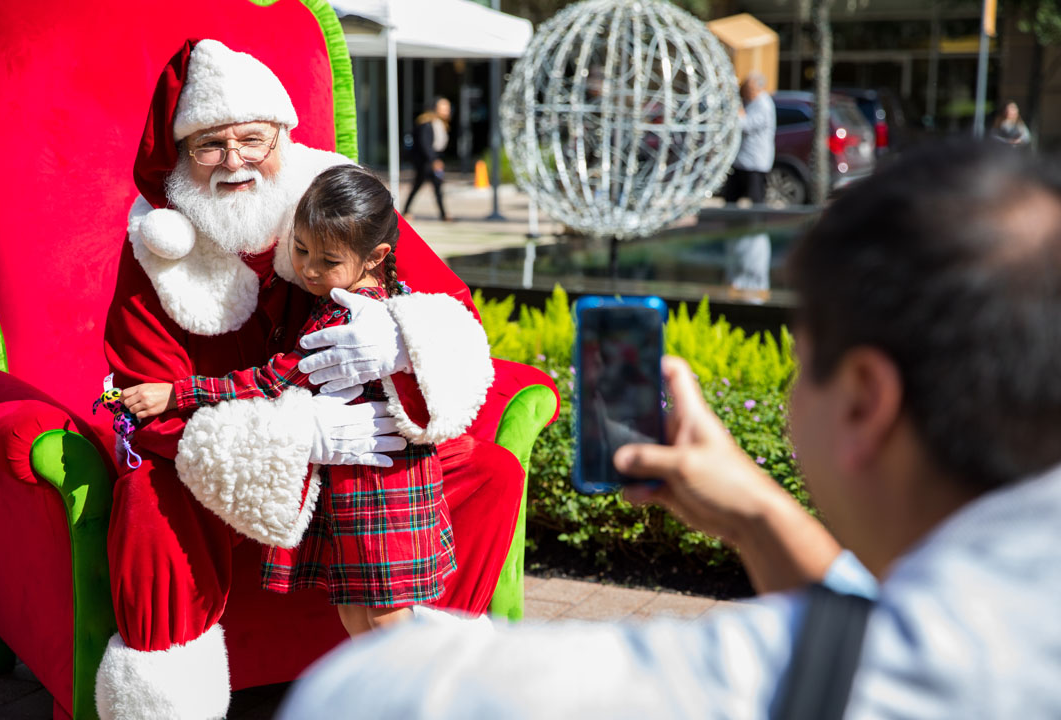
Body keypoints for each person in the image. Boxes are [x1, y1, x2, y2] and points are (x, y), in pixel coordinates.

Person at [276, 141, 1061, 718]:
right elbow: (887, 627)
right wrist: (756, 513)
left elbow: (369, 696)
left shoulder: (734, 683)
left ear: (863, 401)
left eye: (802, 362)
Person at [96, 39, 526, 720]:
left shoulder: (335, 200)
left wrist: (400, 338)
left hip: (367, 447)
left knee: (492, 472)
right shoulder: (158, 248)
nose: (234, 160)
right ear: (182, 155)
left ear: (283, 136)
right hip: (227, 458)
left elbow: (453, 316)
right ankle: (167, 704)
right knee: (150, 503)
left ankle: (449, 677)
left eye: (252, 139)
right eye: (210, 145)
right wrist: (296, 435)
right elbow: (149, 405)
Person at [119, 164, 456, 637]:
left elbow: (275, 380)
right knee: (358, 609)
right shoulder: (365, 295)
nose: (310, 269)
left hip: (380, 488)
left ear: (376, 256)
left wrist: (179, 392)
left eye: (328, 260)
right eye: (300, 250)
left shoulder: (348, 316)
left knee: (383, 616)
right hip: (365, 477)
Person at [723, 72, 776, 205]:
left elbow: (745, 125)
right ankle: (732, 223)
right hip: (741, 160)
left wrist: (738, 109)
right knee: (731, 197)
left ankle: (758, 224)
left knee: (756, 199)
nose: (746, 92)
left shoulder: (763, 104)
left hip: (755, 161)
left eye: (749, 89)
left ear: (758, 88)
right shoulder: (749, 101)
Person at [402, 97, 452, 221]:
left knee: (437, 187)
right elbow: (425, 144)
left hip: (433, 159)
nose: (447, 111)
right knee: (419, 186)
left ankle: (443, 214)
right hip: (426, 161)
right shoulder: (427, 124)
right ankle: (406, 211)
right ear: (436, 109)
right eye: (444, 108)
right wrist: (434, 160)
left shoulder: (440, 124)